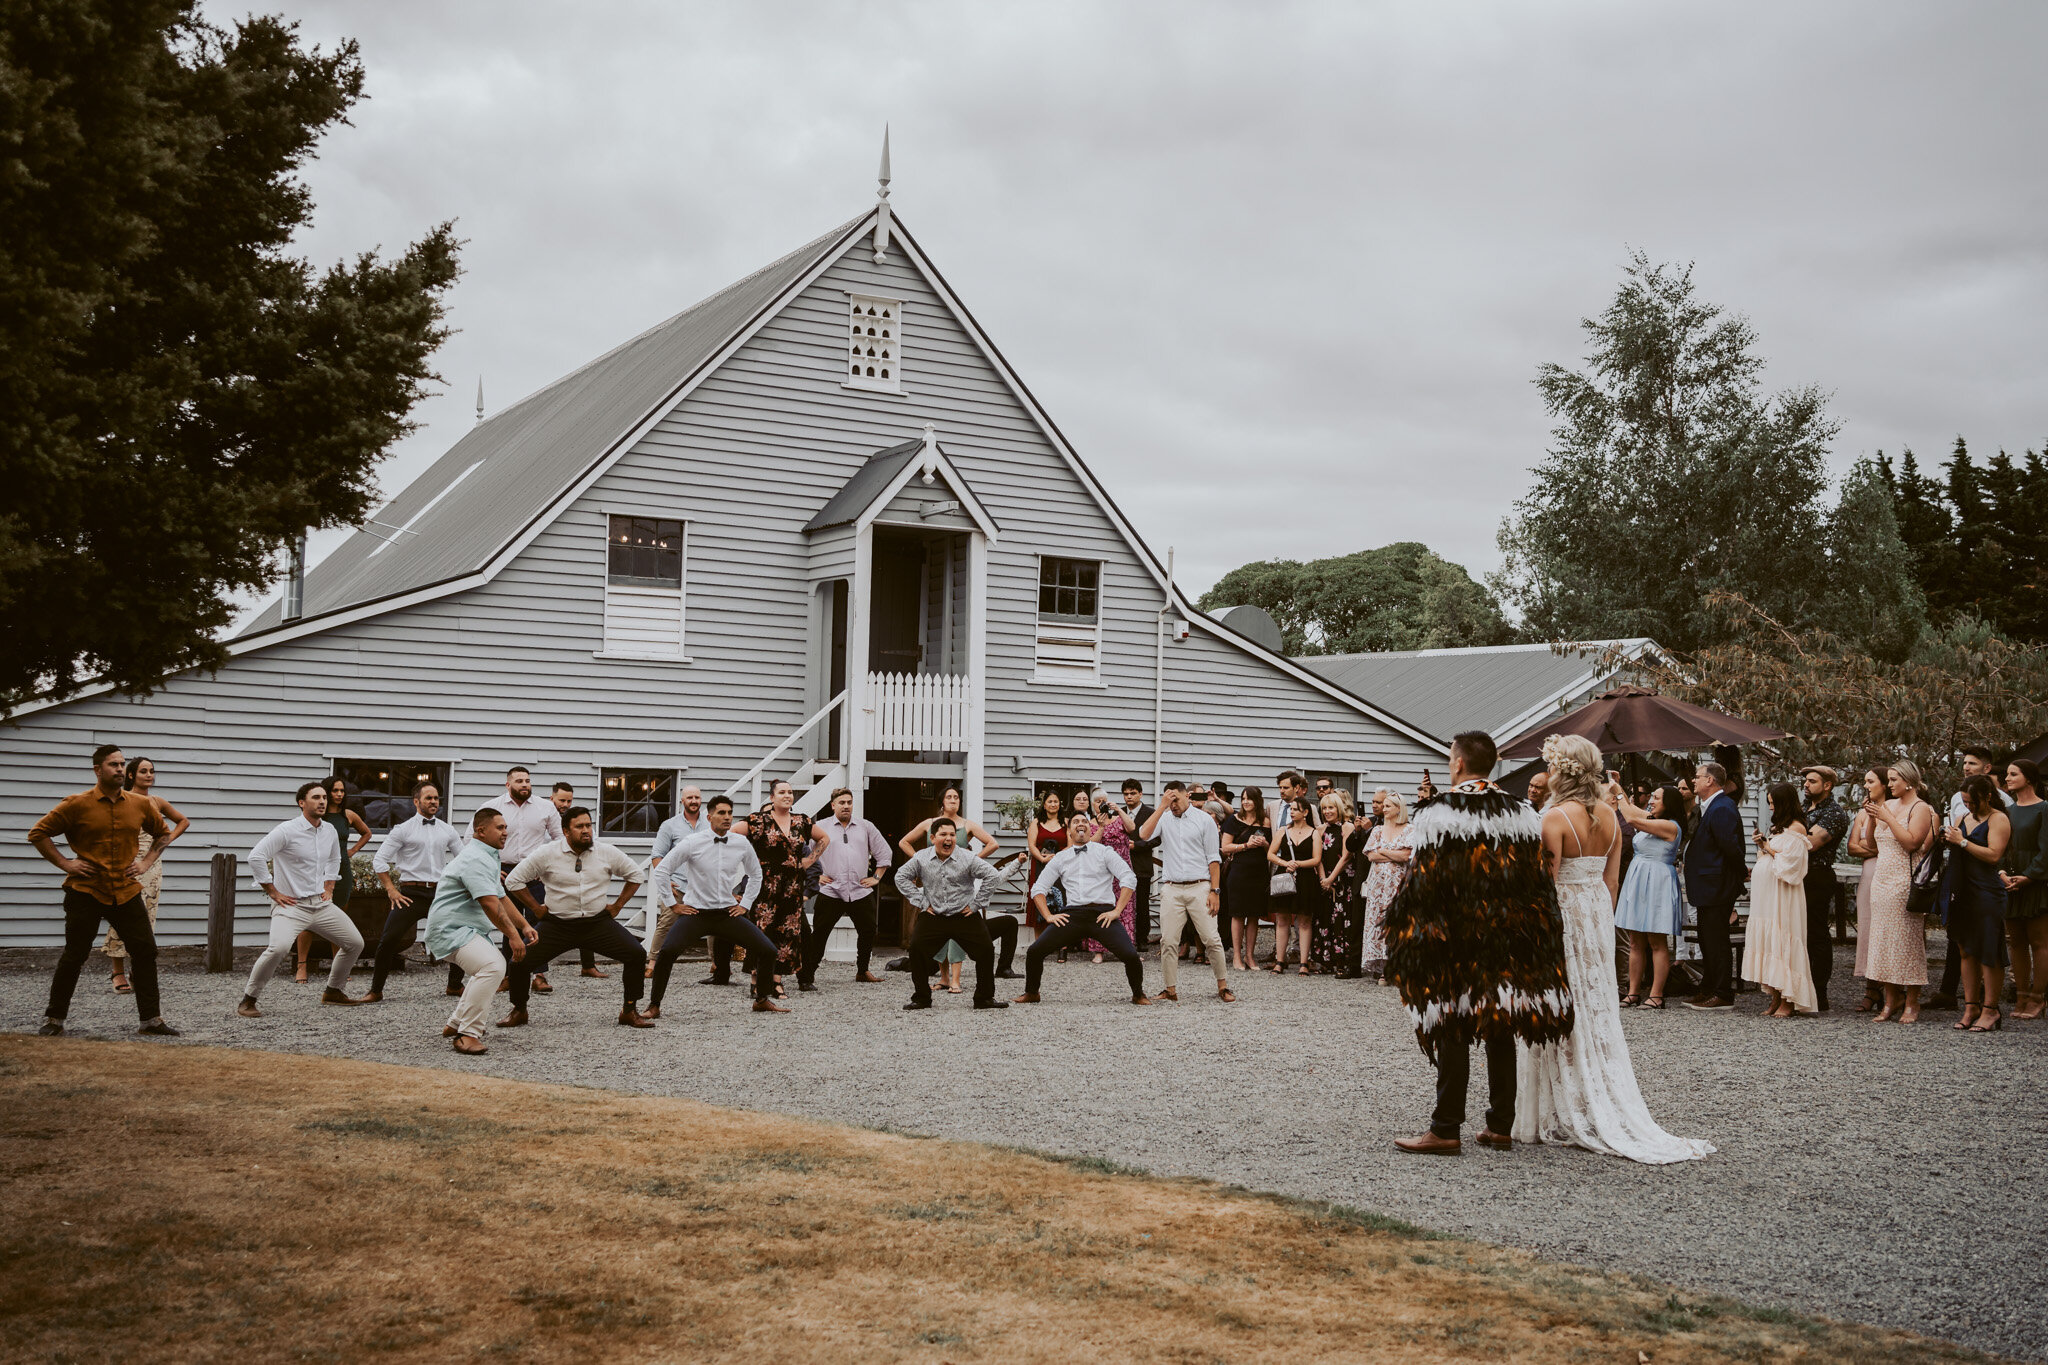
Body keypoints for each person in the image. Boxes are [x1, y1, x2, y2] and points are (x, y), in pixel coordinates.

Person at [1514, 735, 1712, 1163]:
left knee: (1559, 1002)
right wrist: (1602, 925)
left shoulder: (1551, 819)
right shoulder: (1609, 814)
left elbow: (1545, 885)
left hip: (1563, 912)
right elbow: (1611, 881)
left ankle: (1560, 1104)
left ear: (1561, 773)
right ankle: (1586, 1091)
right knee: (1593, 1002)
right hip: (1597, 912)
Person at [1387, 731, 1572, 1156]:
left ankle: (1446, 1127)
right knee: (1498, 1020)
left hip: (1452, 933)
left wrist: (1412, 934)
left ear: (1457, 764)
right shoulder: (1524, 811)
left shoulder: (1438, 812)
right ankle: (1500, 1125)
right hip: (1506, 934)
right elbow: (1537, 880)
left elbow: (1424, 881)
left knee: (1451, 1019)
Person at [28, 744, 180, 1037]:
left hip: (124, 890)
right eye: (114, 765)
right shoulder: (76, 804)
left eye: (122, 764)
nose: (120, 769)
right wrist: (66, 864)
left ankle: (151, 1020)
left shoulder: (139, 804)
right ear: (98, 770)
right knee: (75, 954)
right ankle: (54, 1019)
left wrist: (145, 862)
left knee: (145, 951)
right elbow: (38, 833)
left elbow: (163, 833)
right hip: (85, 890)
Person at [496, 806, 653, 1029]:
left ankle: (629, 1010)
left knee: (636, 954)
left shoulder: (606, 852)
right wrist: (537, 908)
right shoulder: (547, 853)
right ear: (566, 831)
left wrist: (618, 905)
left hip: (597, 923)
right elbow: (513, 881)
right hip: (557, 924)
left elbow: (636, 875)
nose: (586, 830)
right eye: (579, 826)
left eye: (588, 825)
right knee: (519, 960)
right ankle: (519, 1010)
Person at [240, 782, 369, 1017]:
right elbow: (256, 857)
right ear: (302, 803)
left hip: (320, 904)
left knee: (355, 943)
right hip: (291, 906)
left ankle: (334, 991)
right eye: (315, 797)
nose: (322, 801)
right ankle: (249, 999)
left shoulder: (329, 830)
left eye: (323, 798)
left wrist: (329, 885)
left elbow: (334, 859)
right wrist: (272, 891)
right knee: (278, 949)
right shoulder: (286, 830)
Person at [646, 796, 784, 1015]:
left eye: (730, 812)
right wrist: (673, 905)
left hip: (727, 913)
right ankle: (654, 1005)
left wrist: (745, 904)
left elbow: (756, 874)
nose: (727, 817)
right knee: (667, 952)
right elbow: (662, 870)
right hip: (696, 913)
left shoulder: (740, 842)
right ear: (709, 817)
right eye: (721, 813)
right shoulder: (693, 842)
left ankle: (761, 999)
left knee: (768, 950)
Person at [425, 806, 533, 1054]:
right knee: (493, 966)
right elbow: (489, 903)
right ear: (481, 831)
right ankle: (467, 1034)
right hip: (449, 929)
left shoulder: (487, 855)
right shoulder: (475, 858)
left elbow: (501, 897)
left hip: (463, 928)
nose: (506, 832)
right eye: (500, 828)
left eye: (506, 827)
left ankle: (455, 1023)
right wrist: (513, 937)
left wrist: (524, 925)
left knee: (487, 966)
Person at [1017, 813, 1147, 1005]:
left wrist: (1117, 911)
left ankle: (1138, 994)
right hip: (1073, 915)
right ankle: (1032, 993)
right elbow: (1038, 888)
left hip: (1102, 914)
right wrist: (1048, 915)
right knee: (1035, 951)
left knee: (1130, 955)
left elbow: (1129, 878)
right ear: (1069, 831)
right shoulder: (1061, 858)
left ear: (1090, 828)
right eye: (1076, 822)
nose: (1080, 824)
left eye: (1084, 821)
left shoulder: (1105, 852)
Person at [894, 786, 1020, 979]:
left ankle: (957, 981)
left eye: (956, 797)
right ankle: (939, 980)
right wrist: (919, 863)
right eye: (949, 797)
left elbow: (993, 844)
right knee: (922, 942)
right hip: (935, 890)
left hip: (961, 892)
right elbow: (904, 842)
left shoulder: (967, 825)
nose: (953, 800)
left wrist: (972, 859)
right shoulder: (929, 824)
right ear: (941, 801)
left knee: (977, 943)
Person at [366, 780, 468, 1001]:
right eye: (428, 798)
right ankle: (375, 991)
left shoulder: (447, 830)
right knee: (388, 940)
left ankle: (454, 985)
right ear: (416, 801)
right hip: (410, 895)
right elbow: (380, 861)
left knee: (459, 935)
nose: (434, 802)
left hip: (440, 894)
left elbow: (465, 859)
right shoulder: (402, 830)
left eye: (436, 798)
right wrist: (391, 890)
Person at [895, 816, 1008, 1010]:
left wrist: (976, 904)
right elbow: (901, 877)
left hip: (964, 915)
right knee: (916, 949)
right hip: (934, 915)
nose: (948, 839)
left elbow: (991, 876)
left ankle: (984, 999)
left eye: (952, 835)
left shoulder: (967, 857)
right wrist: (921, 902)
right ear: (933, 838)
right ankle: (922, 998)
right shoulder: (921, 857)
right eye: (943, 834)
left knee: (986, 951)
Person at [1930, 746, 2013, 1009]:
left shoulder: (1999, 818)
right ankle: (1970, 1006)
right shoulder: (1965, 817)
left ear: (1987, 797)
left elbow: (1993, 855)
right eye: (1964, 802)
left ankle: (1991, 1009)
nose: (1967, 806)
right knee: (1965, 949)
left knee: (1989, 951)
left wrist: (1962, 842)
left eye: (1972, 802)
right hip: (1964, 889)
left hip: (1987, 889)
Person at [1138, 780, 1235, 1002]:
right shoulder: (1163, 817)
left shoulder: (1204, 820)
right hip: (1172, 888)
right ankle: (1170, 989)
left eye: (1176, 800)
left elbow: (1214, 858)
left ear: (1187, 796)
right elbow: (1143, 835)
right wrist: (1161, 807)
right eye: (1169, 801)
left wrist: (1215, 890)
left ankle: (1223, 986)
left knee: (1211, 938)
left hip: (1200, 885)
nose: (1173, 805)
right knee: (1169, 940)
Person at [102, 755, 189, 996]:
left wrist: (166, 840)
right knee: (122, 913)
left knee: (146, 916)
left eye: (151, 771)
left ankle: (138, 969)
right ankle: (117, 971)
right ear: (131, 775)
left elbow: (183, 821)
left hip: (151, 864)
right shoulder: (123, 799)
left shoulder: (157, 801)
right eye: (143, 771)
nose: (149, 775)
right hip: (125, 863)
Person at [1864, 761, 1935, 1024]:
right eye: (1889, 779)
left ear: (1908, 781)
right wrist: (1873, 819)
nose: (1890, 784)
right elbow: (1872, 844)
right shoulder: (1887, 807)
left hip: (1904, 879)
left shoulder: (1921, 808)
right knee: (1883, 940)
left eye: (1894, 780)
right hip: (1882, 878)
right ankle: (1891, 999)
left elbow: (1912, 843)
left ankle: (1912, 1001)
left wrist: (1888, 818)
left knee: (1906, 940)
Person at [800, 788, 892, 989]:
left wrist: (876, 877)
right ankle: (807, 976)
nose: (846, 806)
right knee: (820, 934)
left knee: (868, 930)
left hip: (860, 889)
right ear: (833, 805)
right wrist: (817, 875)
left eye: (849, 802)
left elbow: (884, 852)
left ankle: (863, 970)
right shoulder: (820, 827)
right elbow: (804, 854)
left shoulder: (865, 827)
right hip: (831, 889)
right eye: (841, 802)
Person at [1609, 784, 1686, 1009]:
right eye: (1651, 797)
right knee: (1635, 941)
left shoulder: (1670, 826)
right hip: (1638, 878)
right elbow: (1632, 810)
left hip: (1657, 881)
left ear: (1669, 803)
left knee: (1656, 941)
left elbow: (1631, 818)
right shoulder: (1653, 819)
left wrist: (1617, 792)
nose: (1651, 801)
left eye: (1657, 798)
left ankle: (1656, 995)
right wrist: (1619, 784)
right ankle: (1633, 992)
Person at [488, 766, 563, 993]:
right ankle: (509, 975)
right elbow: (473, 839)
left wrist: (548, 864)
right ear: (508, 784)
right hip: (505, 872)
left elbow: (559, 838)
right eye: (519, 781)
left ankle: (539, 976)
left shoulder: (545, 807)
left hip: (534, 874)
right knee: (507, 924)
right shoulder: (492, 808)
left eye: (528, 781)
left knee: (538, 924)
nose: (525, 785)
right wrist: (492, 867)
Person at [1743, 782, 1813, 1017]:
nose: (1771, 808)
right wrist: (1763, 847)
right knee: (1769, 942)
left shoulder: (1797, 828)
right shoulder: (1780, 828)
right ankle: (1774, 995)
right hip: (1767, 896)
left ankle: (1788, 998)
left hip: (1783, 895)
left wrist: (1768, 848)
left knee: (1782, 939)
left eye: (1773, 803)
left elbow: (1792, 865)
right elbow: (1772, 856)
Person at [295, 774, 372, 984]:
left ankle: (338, 966)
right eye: (335, 791)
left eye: (342, 791)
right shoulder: (317, 816)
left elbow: (367, 833)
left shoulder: (348, 815)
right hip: (316, 870)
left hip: (341, 871)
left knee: (337, 920)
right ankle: (301, 966)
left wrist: (352, 850)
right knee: (308, 919)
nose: (339, 794)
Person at [1682, 761, 1746, 1011]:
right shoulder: (1708, 807)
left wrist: (1739, 875)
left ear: (1710, 780)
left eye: (1697, 777)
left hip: (1717, 884)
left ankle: (1722, 992)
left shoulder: (1722, 808)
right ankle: (1708, 988)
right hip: (1707, 885)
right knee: (1707, 938)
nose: (1693, 781)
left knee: (1716, 939)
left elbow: (1730, 847)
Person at [744, 779, 816, 997]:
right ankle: (756, 980)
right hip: (766, 884)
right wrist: (748, 860)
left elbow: (824, 839)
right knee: (762, 930)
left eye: (790, 792)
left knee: (787, 932)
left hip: (792, 887)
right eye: (782, 792)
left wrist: (810, 860)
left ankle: (777, 981)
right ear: (772, 797)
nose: (787, 795)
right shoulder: (758, 820)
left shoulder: (801, 821)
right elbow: (731, 834)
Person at [1797, 766, 1851, 1011]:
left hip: (1817, 876)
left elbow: (1809, 843)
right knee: (1797, 932)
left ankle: (1819, 991)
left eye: (1812, 781)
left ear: (1827, 785)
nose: (1806, 785)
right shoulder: (1802, 808)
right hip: (1795, 874)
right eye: (1805, 781)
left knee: (1816, 933)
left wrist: (1783, 839)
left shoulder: (1834, 813)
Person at [647, 787, 716, 981]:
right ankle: (652, 962)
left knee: (714, 923)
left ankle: (716, 963)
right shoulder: (670, 826)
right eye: (690, 797)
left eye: (697, 797)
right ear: (682, 801)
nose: (694, 801)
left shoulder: (710, 823)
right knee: (667, 922)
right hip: (678, 884)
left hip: (705, 885)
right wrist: (665, 879)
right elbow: (657, 855)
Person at [2000, 759, 2047, 1019]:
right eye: (2007, 774)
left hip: (2035, 883)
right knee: (2016, 943)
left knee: (2039, 942)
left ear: (2028, 778)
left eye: (2013, 774)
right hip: (2011, 882)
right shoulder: (2008, 811)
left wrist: (2029, 876)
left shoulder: (2044, 808)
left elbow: (2047, 849)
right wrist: (2002, 872)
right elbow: (2003, 845)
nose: (2007, 778)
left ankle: (2038, 998)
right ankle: (2021, 996)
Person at [547, 780, 603, 978]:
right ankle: (537, 970)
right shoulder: (545, 815)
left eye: (569, 800)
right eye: (562, 800)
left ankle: (588, 965)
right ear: (551, 797)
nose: (565, 804)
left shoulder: (575, 818)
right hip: (549, 872)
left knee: (583, 913)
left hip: (574, 868)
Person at [1357, 790, 1413, 982]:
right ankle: (1380, 965)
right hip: (1377, 885)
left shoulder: (1409, 829)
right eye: (1384, 805)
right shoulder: (1377, 830)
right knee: (1377, 921)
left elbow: (1406, 856)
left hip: (1398, 884)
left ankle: (1397, 965)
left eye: (1388, 806)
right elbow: (1370, 855)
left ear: (1399, 809)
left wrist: (1382, 850)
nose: (1384, 808)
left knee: (1396, 922)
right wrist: (1392, 853)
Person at [1082, 786, 1139, 964]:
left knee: (1126, 907)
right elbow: (1091, 844)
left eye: (1103, 801)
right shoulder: (1090, 823)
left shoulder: (1119, 819)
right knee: (1101, 907)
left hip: (1122, 868)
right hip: (1101, 872)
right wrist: (1100, 826)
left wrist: (1119, 810)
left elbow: (1132, 828)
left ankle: (1126, 949)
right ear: (1092, 805)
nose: (1101, 805)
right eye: (1097, 802)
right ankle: (1098, 951)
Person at [1845, 770, 1886, 1012]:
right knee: (1868, 930)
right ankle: (1871, 989)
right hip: (1869, 875)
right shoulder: (1862, 813)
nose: (1865, 785)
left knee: (1888, 930)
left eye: (1871, 781)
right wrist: (1878, 850)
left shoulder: (1894, 811)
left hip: (1889, 873)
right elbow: (1852, 847)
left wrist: (1876, 849)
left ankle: (1893, 989)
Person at [1220, 787, 1271, 973]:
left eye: (1249, 799)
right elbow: (1224, 848)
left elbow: (1272, 851)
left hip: (1259, 872)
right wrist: (1246, 845)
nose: (1245, 802)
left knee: (1254, 915)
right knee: (1238, 914)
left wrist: (1265, 844)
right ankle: (1236, 956)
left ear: (1258, 800)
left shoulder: (1266, 821)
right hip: (1239, 871)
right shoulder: (1234, 820)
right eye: (1243, 799)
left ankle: (1250, 956)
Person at [1267, 796, 1319, 973]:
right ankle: (1280, 961)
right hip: (1285, 875)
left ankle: (1304, 962)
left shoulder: (1314, 833)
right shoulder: (1283, 831)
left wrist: (1299, 864)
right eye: (1291, 809)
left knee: (1304, 920)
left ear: (1305, 812)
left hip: (1306, 878)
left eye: (1296, 809)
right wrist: (1285, 864)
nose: (1292, 812)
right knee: (1282, 918)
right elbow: (1271, 854)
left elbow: (1316, 859)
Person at [1309, 790, 1356, 973]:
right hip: (1324, 879)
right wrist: (1323, 879)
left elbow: (1346, 857)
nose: (1328, 811)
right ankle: (1325, 960)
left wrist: (1331, 878)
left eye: (1331, 807)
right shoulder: (1320, 830)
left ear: (1339, 808)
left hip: (1342, 878)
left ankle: (1341, 961)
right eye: (1325, 808)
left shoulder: (1347, 827)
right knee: (1323, 917)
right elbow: (1317, 857)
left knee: (1341, 919)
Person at [1024, 790, 1068, 950]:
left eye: (1056, 801)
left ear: (1059, 804)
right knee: (1040, 899)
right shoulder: (1036, 823)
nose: (1053, 804)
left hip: (1060, 867)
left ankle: (1061, 946)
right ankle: (1040, 945)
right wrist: (1042, 858)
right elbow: (1032, 845)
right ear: (1044, 805)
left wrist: (1057, 858)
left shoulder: (1066, 823)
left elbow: (1070, 845)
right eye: (1050, 801)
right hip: (1040, 866)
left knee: (1059, 900)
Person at [1122, 780, 1158, 947]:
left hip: (1142, 864)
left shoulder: (1151, 813)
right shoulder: (1119, 813)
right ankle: (1124, 937)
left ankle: (1142, 939)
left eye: (1132, 793)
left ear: (1140, 794)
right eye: (1126, 794)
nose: (1129, 797)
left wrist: (1138, 845)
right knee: (1122, 902)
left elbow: (1157, 839)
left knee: (1142, 904)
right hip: (1121, 866)